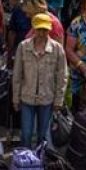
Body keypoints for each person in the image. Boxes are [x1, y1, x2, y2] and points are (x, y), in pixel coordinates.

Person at [12, 13, 67, 148]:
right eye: (39, 29)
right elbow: (17, 74)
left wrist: (59, 99)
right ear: (33, 29)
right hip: (27, 97)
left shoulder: (57, 48)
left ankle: (40, 161)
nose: (42, 33)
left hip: (47, 98)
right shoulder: (23, 47)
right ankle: (25, 163)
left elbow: (62, 75)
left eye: (45, 30)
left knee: (43, 135)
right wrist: (15, 97)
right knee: (26, 134)